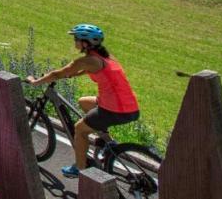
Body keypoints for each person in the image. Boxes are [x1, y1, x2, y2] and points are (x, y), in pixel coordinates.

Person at [28, 24, 140, 177]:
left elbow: (57, 73)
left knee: (80, 130)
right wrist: (75, 74)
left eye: (76, 39)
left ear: (85, 43)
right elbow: (90, 70)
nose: (74, 42)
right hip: (129, 106)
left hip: (114, 109)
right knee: (84, 102)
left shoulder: (87, 60)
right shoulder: (105, 57)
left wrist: (36, 82)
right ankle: (108, 143)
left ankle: (80, 169)